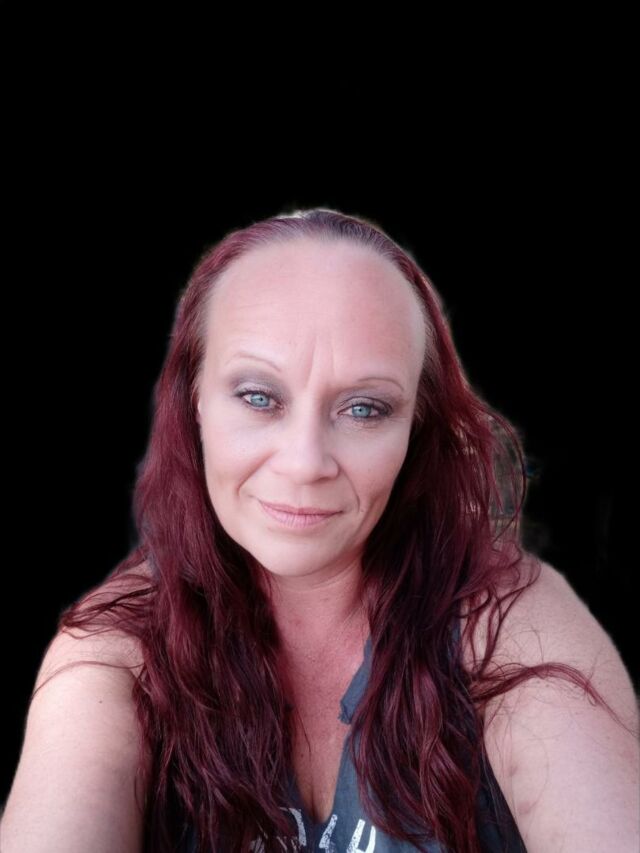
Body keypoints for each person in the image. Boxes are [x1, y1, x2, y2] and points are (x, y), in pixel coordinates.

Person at [2, 208, 638, 853]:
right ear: (194, 399)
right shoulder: (116, 649)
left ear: (415, 424)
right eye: (259, 397)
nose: (305, 463)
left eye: (364, 408)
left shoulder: (507, 623)